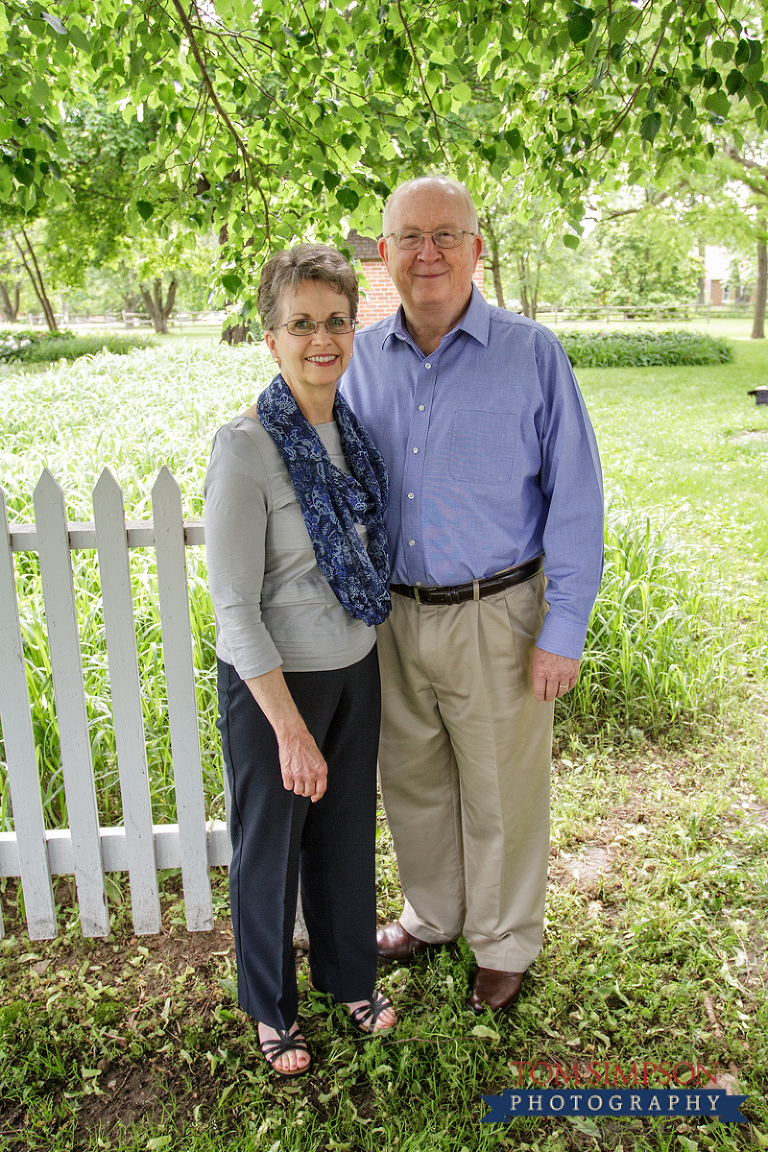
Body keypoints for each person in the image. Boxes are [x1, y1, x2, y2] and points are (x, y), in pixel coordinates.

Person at [340, 176, 604, 1014]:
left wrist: (563, 624)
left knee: (501, 787)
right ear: (383, 254)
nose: (428, 253)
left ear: (476, 250)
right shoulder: (357, 362)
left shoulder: (533, 355)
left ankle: (505, 940)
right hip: (391, 615)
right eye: (410, 237)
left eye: (447, 234)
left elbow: (577, 497)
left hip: (499, 614)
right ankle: (435, 914)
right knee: (412, 780)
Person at [205, 244, 396, 1076]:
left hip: (356, 663)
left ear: (352, 328)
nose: (322, 339)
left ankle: (350, 973)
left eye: (335, 321)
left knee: (348, 833)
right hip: (274, 685)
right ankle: (269, 1008)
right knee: (269, 847)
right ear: (272, 338)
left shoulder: (351, 431)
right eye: (301, 324)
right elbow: (235, 607)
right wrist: (287, 728)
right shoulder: (246, 449)